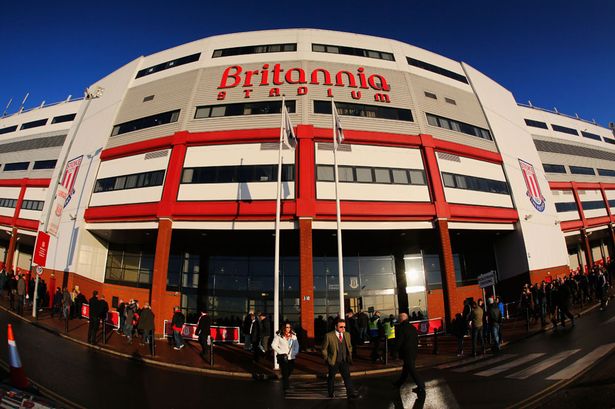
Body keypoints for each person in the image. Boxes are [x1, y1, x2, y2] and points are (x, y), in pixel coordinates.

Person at [321, 319, 359, 399]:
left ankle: (350, 393)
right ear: (336, 327)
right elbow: (324, 349)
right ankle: (330, 393)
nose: (343, 328)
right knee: (331, 377)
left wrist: (350, 352)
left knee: (347, 377)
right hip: (333, 360)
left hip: (344, 360)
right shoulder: (329, 336)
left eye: (344, 327)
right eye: (341, 327)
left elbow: (349, 346)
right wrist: (327, 358)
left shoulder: (347, 334)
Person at [393, 313, 425, 394]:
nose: (398, 319)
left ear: (401, 319)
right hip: (413, 350)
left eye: (399, 318)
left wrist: (394, 350)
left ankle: (421, 386)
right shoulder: (412, 327)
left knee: (411, 369)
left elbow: (399, 341)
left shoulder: (401, 328)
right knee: (406, 369)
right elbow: (416, 339)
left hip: (406, 351)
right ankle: (398, 383)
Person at [271, 322, 300, 392]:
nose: (288, 329)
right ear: (284, 327)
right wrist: (281, 352)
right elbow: (273, 345)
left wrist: (295, 352)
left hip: (291, 357)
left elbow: (297, 346)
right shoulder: (279, 336)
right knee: (285, 372)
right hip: (283, 357)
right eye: (287, 327)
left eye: (289, 327)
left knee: (290, 370)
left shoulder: (293, 336)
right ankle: (286, 387)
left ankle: (284, 378)